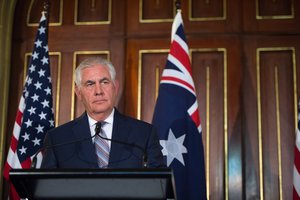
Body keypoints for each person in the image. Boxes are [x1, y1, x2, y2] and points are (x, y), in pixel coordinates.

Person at [41, 57, 165, 168]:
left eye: (104, 82)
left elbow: (158, 184)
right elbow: (47, 188)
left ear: (115, 87)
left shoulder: (144, 134)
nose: (98, 91)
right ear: (78, 92)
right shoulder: (58, 139)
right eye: (90, 84)